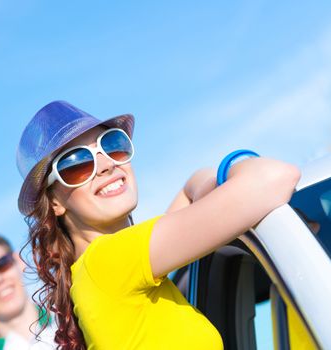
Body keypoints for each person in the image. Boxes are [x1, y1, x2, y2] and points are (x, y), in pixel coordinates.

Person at [15, 101, 301, 349]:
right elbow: (274, 178)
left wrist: (211, 188)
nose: (105, 165)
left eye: (112, 146)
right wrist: (229, 171)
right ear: (54, 204)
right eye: (75, 164)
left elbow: (190, 190)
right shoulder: (109, 261)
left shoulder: (99, 273)